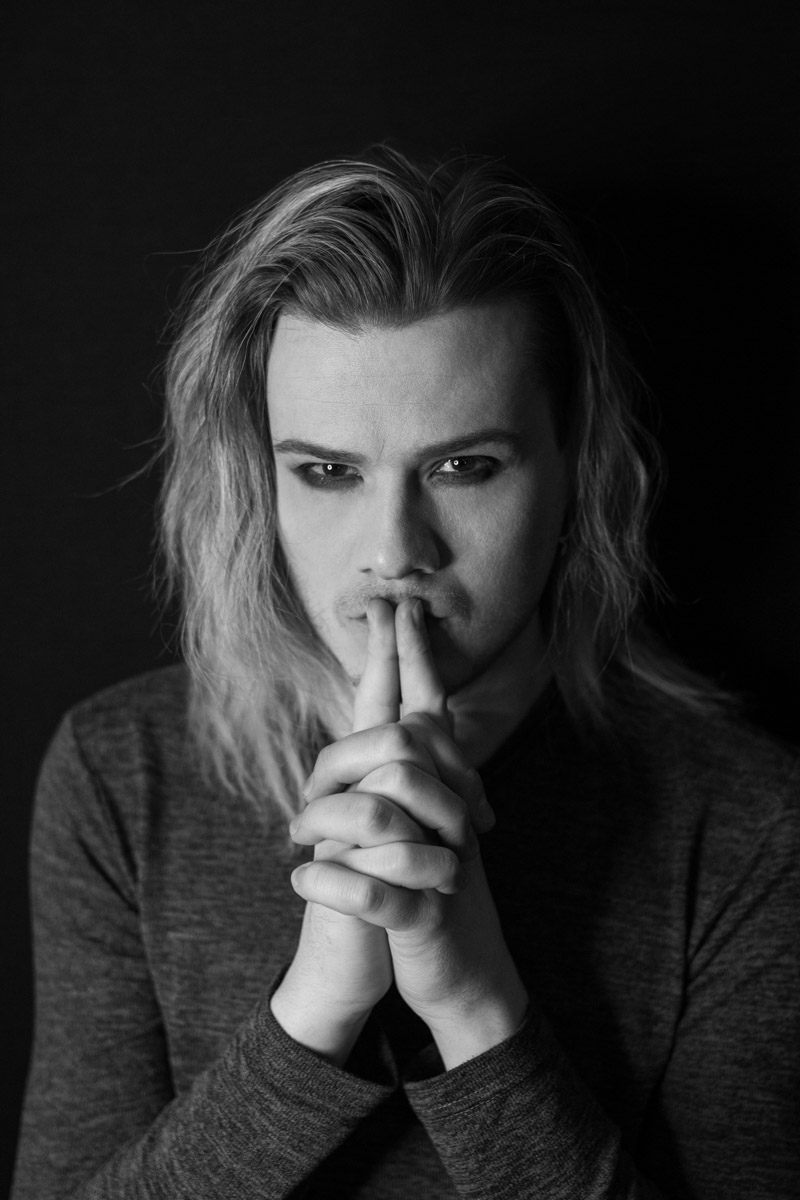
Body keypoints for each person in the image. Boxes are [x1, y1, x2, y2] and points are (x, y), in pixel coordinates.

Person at [12, 146, 799, 1199]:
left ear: (578, 466)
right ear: (257, 480)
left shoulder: (749, 827)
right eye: (327, 472)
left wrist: (472, 1005)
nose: (394, 552)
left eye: (464, 467)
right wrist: (314, 1012)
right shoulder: (122, 773)